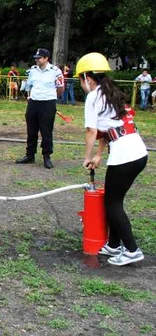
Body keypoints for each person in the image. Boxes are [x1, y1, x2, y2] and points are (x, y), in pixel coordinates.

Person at [76, 52, 148, 266]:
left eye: (80, 80)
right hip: (137, 153)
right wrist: (98, 154)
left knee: (113, 203)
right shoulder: (110, 92)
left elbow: (91, 130)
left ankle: (132, 250)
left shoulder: (93, 96)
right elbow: (109, 129)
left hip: (125, 156)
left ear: (87, 78)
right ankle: (114, 245)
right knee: (113, 201)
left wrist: (86, 157)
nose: (81, 84)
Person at [15, 48, 64, 169]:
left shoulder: (55, 71)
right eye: (36, 58)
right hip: (33, 102)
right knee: (31, 130)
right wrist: (29, 96)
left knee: (46, 131)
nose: (37, 60)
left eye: (39, 58)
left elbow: (61, 88)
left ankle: (46, 156)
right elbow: (29, 85)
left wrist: (52, 97)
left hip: (48, 103)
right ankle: (30, 155)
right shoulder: (32, 70)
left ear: (46, 58)